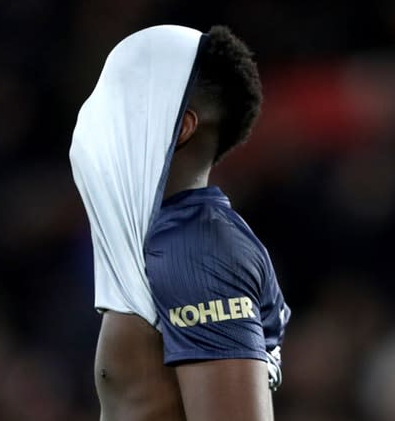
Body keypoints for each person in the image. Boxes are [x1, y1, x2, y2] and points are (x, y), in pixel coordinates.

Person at [70, 24, 290, 421]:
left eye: (120, 96)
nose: (93, 113)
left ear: (183, 127)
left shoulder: (197, 249)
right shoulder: (165, 242)